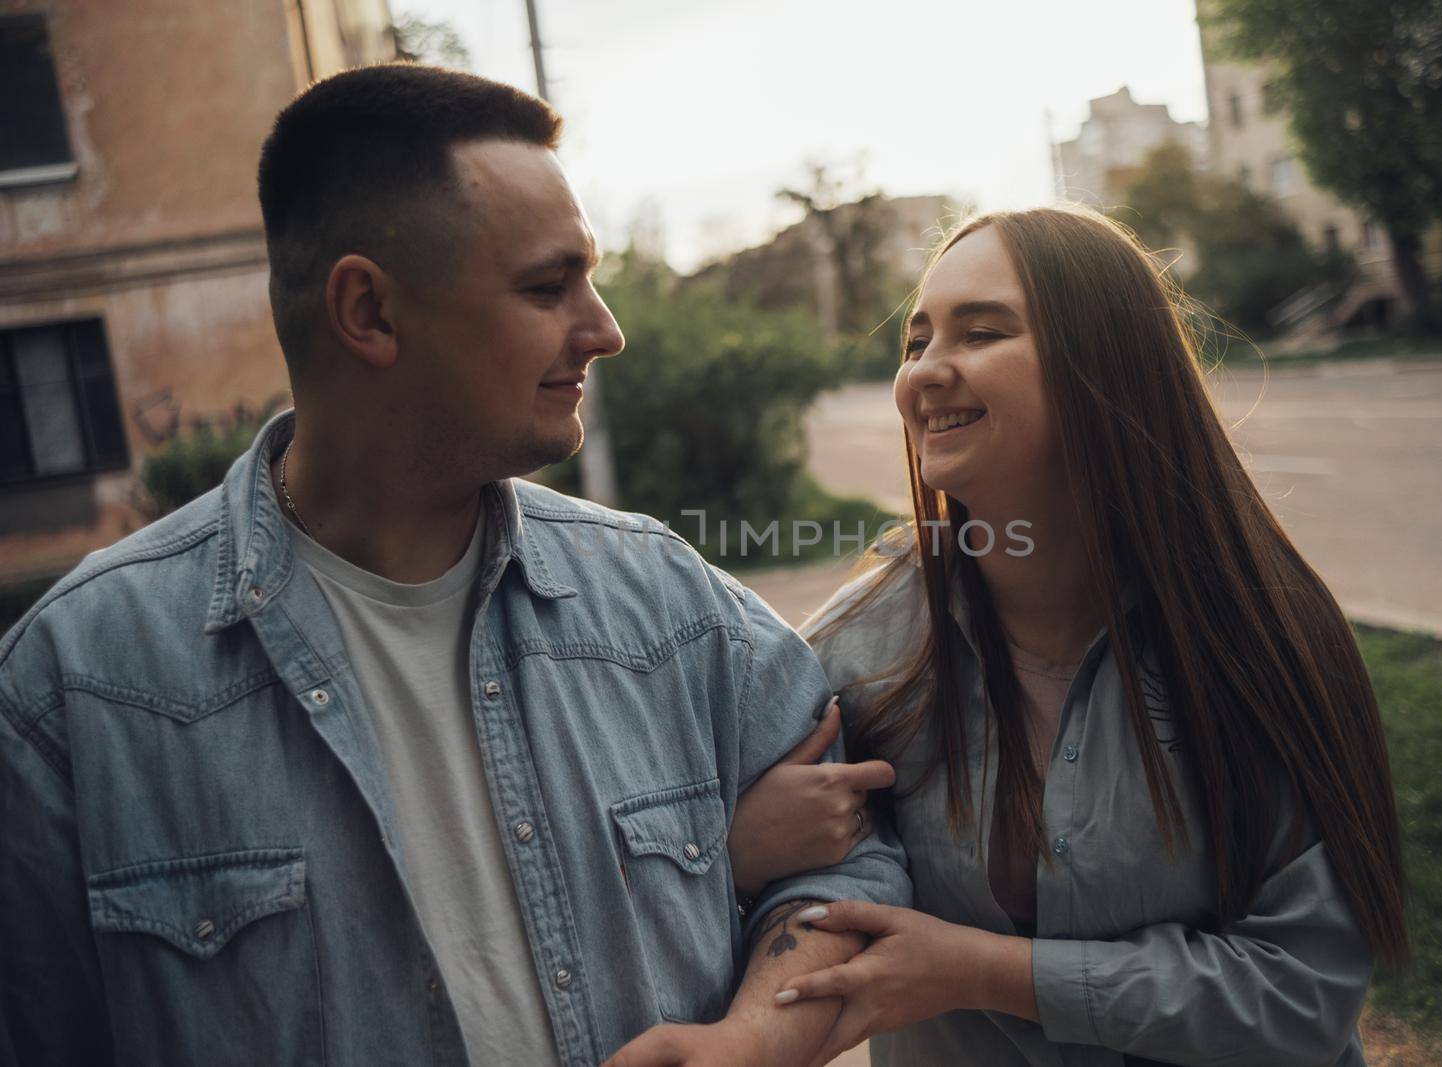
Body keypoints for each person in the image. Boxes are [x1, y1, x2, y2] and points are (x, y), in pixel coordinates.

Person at [0, 64, 910, 1067]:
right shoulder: (78, 685)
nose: (604, 329)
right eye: (546, 285)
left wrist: (750, 1040)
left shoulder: (660, 603)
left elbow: (858, 860)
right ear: (371, 313)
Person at [725, 207, 1408, 1065]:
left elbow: (1303, 993)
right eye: (915, 341)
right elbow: (770, 918)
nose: (926, 372)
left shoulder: (1260, 633)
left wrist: (984, 970)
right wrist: (737, 853)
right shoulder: (855, 652)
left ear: (1105, 366)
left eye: (980, 331)